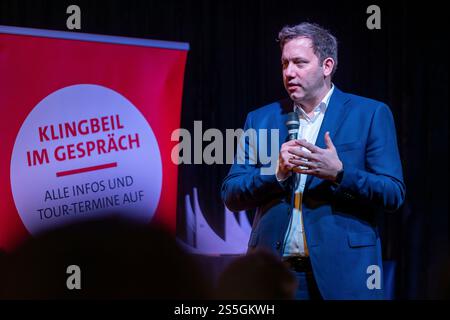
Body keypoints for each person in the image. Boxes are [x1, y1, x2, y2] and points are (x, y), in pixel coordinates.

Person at [221, 22, 405, 299]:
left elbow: (393, 193)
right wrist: (276, 173)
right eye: (284, 64)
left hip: (343, 274)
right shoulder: (260, 119)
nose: (289, 72)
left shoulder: (370, 114)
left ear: (327, 65)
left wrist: (341, 174)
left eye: (299, 63)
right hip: (275, 274)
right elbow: (231, 193)